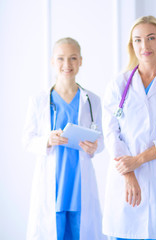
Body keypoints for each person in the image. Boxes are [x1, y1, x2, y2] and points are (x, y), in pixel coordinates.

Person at [102, 16, 156, 240]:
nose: (144, 46)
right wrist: (128, 171)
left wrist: (138, 161)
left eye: (150, 38)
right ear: (132, 45)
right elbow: (110, 133)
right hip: (124, 183)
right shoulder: (118, 84)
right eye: (138, 40)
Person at [23, 37, 105, 240]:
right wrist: (47, 140)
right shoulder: (39, 101)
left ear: (81, 61)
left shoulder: (92, 100)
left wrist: (94, 146)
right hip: (53, 185)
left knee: (81, 233)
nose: (67, 64)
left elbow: (102, 139)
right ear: (52, 61)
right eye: (60, 59)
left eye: (73, 58)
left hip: (79, 184)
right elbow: (27, 140)